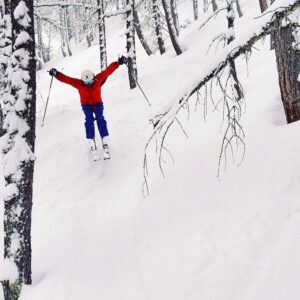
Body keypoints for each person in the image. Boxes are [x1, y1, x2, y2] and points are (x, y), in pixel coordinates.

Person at [49, 56, 127, 159]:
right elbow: (67, 79)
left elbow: (108, 71)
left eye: (90, 82)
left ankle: (105, 139)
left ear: (93, 78)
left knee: (100, 119)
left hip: (98, 103)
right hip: (86, 105)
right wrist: (57, 74)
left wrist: (118, 62)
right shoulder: (78, 83)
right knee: (89, 120)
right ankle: (91, 140)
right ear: (82, 81)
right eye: (86, 83)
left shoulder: (98, 79)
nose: (89, 84)